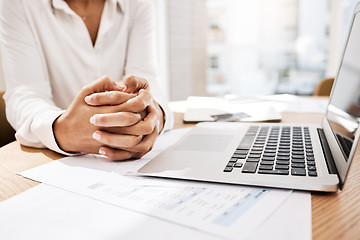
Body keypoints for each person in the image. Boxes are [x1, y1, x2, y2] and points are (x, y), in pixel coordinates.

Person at [0, 0, 173, 160]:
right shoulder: (18, 4)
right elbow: (24, 94)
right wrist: (62, 128)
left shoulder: (138, 3)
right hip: (57, 161)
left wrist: (153, 114)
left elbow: (147, 80)